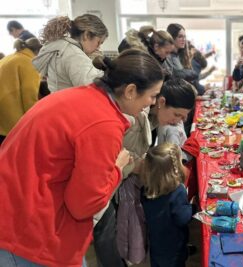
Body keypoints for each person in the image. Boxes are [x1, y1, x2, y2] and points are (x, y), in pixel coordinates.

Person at [0, 49, 164, 267]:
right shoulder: (104, 123)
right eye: (152, 96)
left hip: (18, 216)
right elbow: (84, 205)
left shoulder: (78, 96)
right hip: (31, 234)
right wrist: (117, 168)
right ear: (131, 91)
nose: (152, 103)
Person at [141, 143, 197, 267]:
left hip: (156, 245)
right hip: (174, 247)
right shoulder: (178, 192)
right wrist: (193, 207)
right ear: (175, 169)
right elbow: (182, 218)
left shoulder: (146, 190)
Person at [33, 14, 108, 92]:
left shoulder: (61, 48)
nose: (98, 47)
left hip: (60, 100)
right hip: (72, 102)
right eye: (98, 42)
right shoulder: (75, 55)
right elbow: (92, 88)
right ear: (87, 35)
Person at [0, 38, 41, 145]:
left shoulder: (10, 57)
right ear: (38, 51)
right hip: (11, 122)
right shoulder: (29, 63)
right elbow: (29, 97)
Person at [156, 79, 197, 159]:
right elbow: (174, 158)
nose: (177, 121)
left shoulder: (163, 119)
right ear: (161, 102)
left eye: (182, 117)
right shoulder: (140, 116)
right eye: (176, 114)